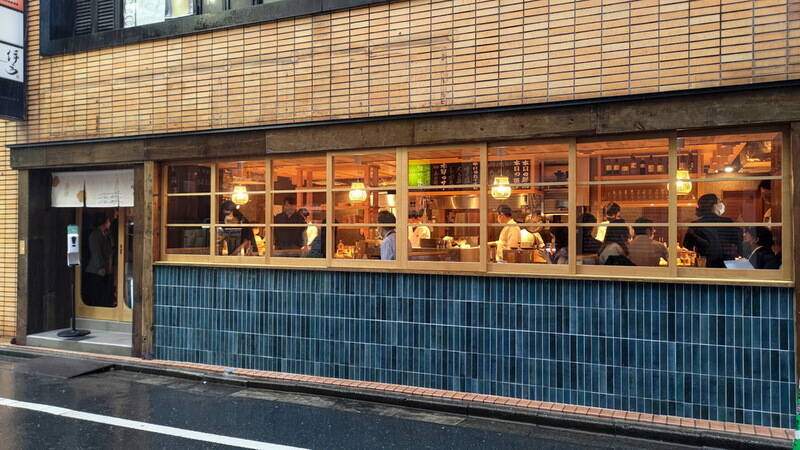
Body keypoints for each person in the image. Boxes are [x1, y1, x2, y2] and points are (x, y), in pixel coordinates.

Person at [682, 193, 742, 268]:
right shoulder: (727, 222)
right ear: (713, 205)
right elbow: (739, 242)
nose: (723, 204)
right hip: (726, 265)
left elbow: (687, 246)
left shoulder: (695, 225)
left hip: (705, 265)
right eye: (720, 201)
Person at [85, 214, 115, 307]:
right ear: (104, 222)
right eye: (108, 221)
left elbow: (111, 248)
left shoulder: (106, 234)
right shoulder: (95, 235)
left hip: (105, 269)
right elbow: (96, 252)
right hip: (95, 270)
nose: (110, 223)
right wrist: (100, 267)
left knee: (103, 293)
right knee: (97, 294)